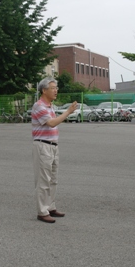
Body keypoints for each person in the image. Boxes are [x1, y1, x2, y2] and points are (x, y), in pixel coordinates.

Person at [31, 77, 77, 224]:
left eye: (56, 88)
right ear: (44, 90)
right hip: (43, 146)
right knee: (44, 180)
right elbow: (51, 123)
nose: (56, 90)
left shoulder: (50, 106)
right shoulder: (39, 106)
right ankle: (42, 211)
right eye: (53, 88)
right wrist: (68, 112)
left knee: (53, 180)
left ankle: (50, 207)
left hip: (53, 146)